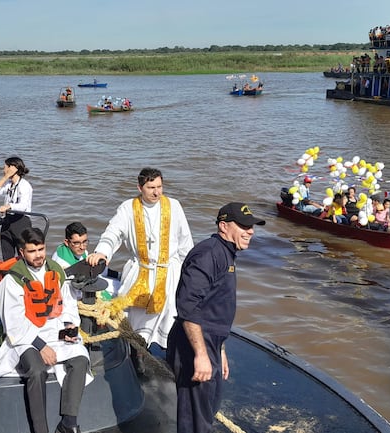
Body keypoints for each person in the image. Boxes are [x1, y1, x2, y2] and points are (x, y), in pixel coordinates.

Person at [167, 202, 265, 433]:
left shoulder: (226, 254)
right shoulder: (210, 254)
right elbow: (188, 307)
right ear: (224, 226)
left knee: (207, 411)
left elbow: (212, 306)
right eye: (243, 226)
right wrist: (201, 354)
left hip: (209, 343)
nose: (250, 231)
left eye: (251, 226)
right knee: (195, 421)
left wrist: (219, 349)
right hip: (193, 345)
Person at [0, 228, 90, 433]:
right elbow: (13, 323)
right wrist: (41, 346)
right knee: (37, 370)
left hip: (54, 328)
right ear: (22, 252)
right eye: (32, 251)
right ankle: (41, 429)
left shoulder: (56, 270)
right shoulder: (12, 281)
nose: (38, 255)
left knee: (80, 359)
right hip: (26, 336)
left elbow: (67, 302)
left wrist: (69, 325)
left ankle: (68, 422)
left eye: (41, 249)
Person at [86, 168, 193, 349]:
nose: (156, 192)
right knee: (135, 319)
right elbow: (113, 233)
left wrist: (191, 271)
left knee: (170, 316)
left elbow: (185, 241)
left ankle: (167, 353)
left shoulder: (173, 206)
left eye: (159, 186)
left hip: (169, 272)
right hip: (140, 270)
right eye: (151, 187)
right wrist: (102, 251)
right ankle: (137, 353)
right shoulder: (128, 208)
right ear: (140, 187)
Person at [52, 221, 120, 298]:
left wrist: (118, 275)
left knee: (121, 284)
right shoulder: (62, 263)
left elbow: (94, 269)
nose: (82, 247)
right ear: (67, 242)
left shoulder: (80, 251)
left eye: (84, 241)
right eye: (77, 243)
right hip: (71, 293)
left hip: (85, 282)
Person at [0, 156, 33, 260]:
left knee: (22, 253)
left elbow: (23, 206)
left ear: (12, 168)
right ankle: (8, 273)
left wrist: (9, 206)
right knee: (7, 252)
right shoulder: (9, 184)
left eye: (5, 167)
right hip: (7, 220)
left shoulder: (24, 185)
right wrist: (5, 177)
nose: (3, 170)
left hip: (20, 221)